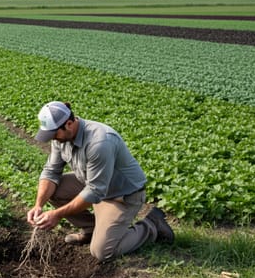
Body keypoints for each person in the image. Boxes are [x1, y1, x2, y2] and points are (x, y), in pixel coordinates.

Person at [26, 101, 174, 262]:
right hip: (93, 184)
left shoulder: (99, 142)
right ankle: (91, 229)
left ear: (68, 124)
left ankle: (152, 226)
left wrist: (57, 215)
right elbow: (51, 171)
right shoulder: (60, 138)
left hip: (122, 195)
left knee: (102, 252)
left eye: (54, 134)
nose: (52, 139)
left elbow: (96, 191)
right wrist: (38, 204)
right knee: (56, 190)